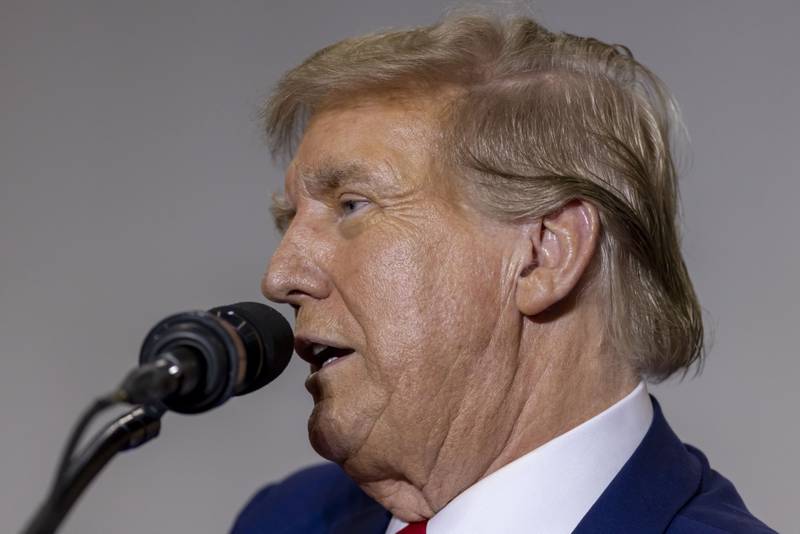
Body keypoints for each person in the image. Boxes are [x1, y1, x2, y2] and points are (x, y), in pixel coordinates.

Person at [232, 11, 775, 534]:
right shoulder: (280, 519)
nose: (280, 276)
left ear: (544, 254)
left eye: (352, 205)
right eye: (288, 220)